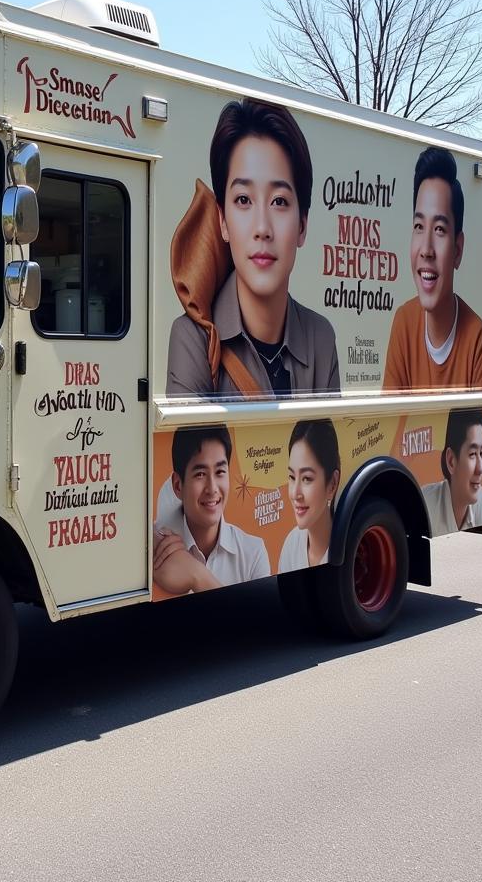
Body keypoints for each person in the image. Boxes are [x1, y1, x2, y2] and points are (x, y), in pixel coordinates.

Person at [167, 97, 339, 398]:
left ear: (302, 225)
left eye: (280, 202)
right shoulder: (193, 339)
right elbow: (190, 446)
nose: (262, 228)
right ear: (222, 221)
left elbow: (331, 444)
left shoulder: (320, 337)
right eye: (243, 200)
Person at [383, 146, 482, 391]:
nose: (426, 249)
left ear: (458, 250)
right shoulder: (404, 323)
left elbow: (481, 429)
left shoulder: (475, 337)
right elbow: (389, 424)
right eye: (419, 226)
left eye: (440, 229)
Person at [153, 426, 269, 594]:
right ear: (178, 485)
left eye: (220, 472)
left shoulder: (252, 552)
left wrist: (198, 575)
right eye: (200, 474)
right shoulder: (155, 544)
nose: (212, 488)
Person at [278, 420, 341, 572]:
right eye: (292, 477)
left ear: (332, 484)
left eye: (307, 478)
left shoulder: (350, 548)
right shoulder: (292, 544)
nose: (295, 494)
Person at [423, 408, 482, 535]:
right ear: (451, 461)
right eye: (472, 454)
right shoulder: (425, 505)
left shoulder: (481, 499)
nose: (481, 468)